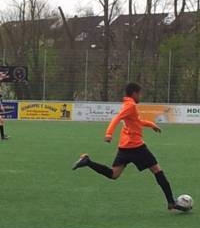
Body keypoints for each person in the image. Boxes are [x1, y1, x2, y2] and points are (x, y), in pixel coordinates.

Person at [71, 82, 188, 212]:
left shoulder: (128, 104)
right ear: (134, 93)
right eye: (139, 94)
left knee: (114, 174)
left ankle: (87, 162)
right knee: (157, 170)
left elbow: (137, 122)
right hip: (136, 146)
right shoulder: (130, 105)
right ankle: (171, 202)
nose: (140, 96)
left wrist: (151, 125)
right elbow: (117, 118)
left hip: (124, 147)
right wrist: (109, 134)